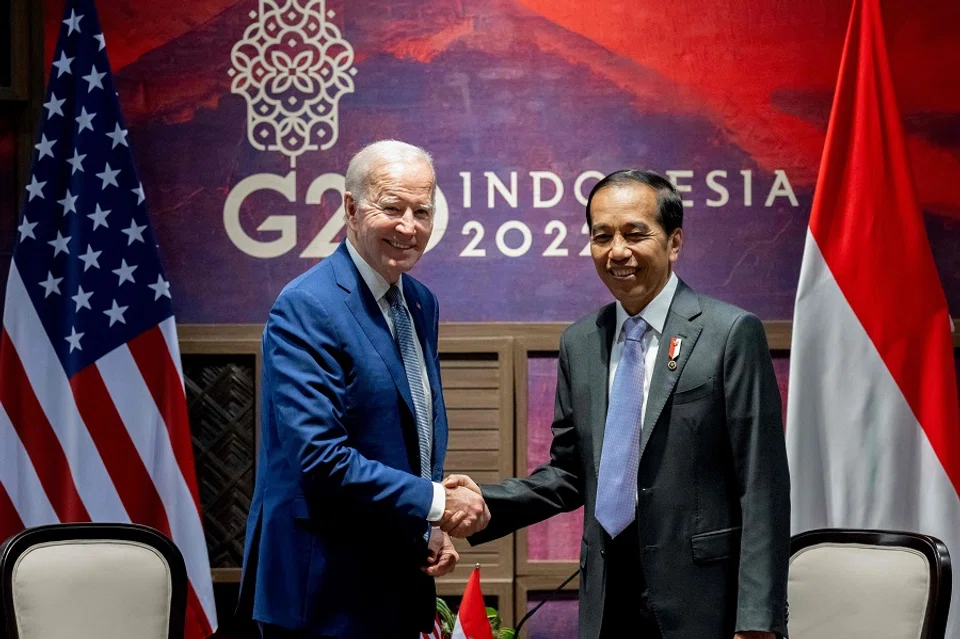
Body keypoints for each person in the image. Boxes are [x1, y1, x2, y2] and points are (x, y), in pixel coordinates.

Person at [447, 170, 790, 639]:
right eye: (602, 236)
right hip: (608, 598)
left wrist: (758, 621)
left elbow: (762, 483)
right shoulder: (581, 341)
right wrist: (486, 503)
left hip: (705, 604)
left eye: (635, 234)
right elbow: (569, 475)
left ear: (674, 242)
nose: (617, 252)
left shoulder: (729, 333)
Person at [238, 140, 489, 639]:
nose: (409, 226)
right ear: (351, 208)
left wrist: (429, 524)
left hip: (394, 580)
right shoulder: (307, 306)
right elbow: (320, 459)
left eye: (423, 210)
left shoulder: (420, 302)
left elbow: (412, 421)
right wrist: (436, 501)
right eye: (392, 208)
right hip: (322, 594)